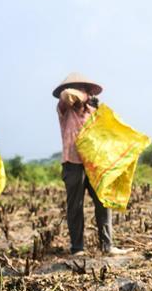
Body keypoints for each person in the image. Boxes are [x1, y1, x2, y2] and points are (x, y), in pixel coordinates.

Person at [54, 72, 126, 257]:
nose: (82, 93)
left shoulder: (93, 113)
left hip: (94, 164)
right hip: (73, 163)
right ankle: (77, 248)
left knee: (103, 203)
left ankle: (107, 246)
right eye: (81, 90)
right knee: (75, 206)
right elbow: (66, 94)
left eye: (85, 89)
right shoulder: (65, 109)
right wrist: (85, 97)